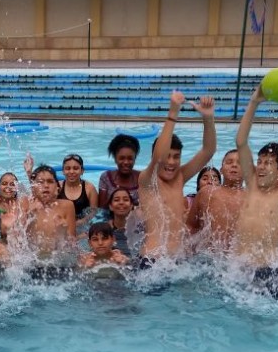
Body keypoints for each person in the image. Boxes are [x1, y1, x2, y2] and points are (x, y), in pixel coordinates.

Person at [231, 84, 278, 299]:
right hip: (237, 269)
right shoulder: (252, 184)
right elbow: (241, 142)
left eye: (268, 163)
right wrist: (254, 102)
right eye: (260, 161)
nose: (261, 167)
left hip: (268, 271)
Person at [137, 92, 217, 265]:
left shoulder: (180, 177)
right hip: (153, 261)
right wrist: (173, 112)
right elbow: (159, 157)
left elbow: (208, 151)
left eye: (176, 157)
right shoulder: (148, 180)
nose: (171, 162)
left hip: (178, 262)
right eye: (168, 156)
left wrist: (208, 118)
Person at [186, 149, 246, 255]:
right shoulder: (207, 193)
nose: (234, 165)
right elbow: (191, 226)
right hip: (207, 257)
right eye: (229, 162)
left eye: (240, 163)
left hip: (238, 259)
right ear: (221, 170)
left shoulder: (252, 197)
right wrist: (189, 251)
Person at [17, 164, 76, 264]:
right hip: (31, 260)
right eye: (40, 182)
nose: (46, 185)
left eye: (50, 181)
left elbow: (72, 244)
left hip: (57, 259)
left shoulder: (67, 206)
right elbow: (17, 238)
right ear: (33, 188)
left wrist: (62, 232)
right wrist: (29, 214)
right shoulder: (26, 204)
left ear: (57, 187)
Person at [97, 133, 141, 209]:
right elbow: (102, 209)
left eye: (130, 158)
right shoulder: (106, 177)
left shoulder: (142, 178)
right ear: (115, 159)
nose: (126, 162)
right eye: (122, 158)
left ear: (135, 159)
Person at [56, 153, 98, 222]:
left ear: (82, 171)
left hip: (83, 225)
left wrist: (81, 222)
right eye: (68, 168)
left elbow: (94, 213)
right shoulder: (58, 187)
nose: (71, 172)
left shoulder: (89, 189)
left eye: (75, 168)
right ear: (63, 171)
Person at [106, 186, 140, 257]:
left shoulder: (140, 228)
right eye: (116, 200)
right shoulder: (105, 229)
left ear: (131, 206)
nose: (121, 202)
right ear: (110, 206)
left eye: (126, 200)